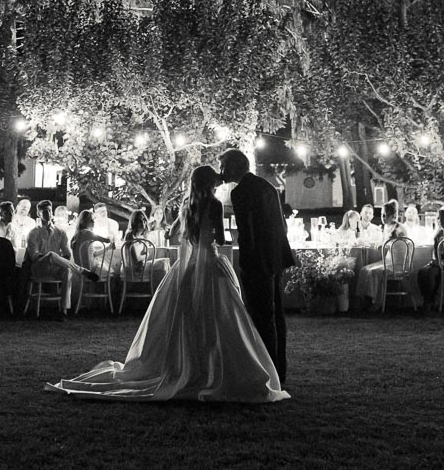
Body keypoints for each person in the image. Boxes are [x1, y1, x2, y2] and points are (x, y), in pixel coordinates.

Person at [47, 164, 289, 402]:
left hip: (189, 265)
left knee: (185, 314)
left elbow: (174, 235)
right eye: (215, 176)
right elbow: (222, 237)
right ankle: (212, 365)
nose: (220, 177)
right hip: (210, 262)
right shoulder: (214, 205)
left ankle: (182, 363)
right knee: (218, 316)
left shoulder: (187, 205)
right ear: (209, 182)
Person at [221, 149, 295, 383]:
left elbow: (247, 232)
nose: (221, 171)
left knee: (261, 316)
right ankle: (279, 370)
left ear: (233, 167)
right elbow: (281, 225)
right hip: (275, 257)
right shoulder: (267, 186)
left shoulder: (241, 191)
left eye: (223, 166)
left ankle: (266, 374)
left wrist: (246, 262)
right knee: (276, 316)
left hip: (257, 262)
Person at [25, 201, 96, 315]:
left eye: (49, 210)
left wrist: (58, 259)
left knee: (67, 271)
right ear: (38, 213)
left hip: (55, 267)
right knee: (51, 255)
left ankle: (64, 310)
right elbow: (34, 256)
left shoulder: (60, 232)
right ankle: (82, 270)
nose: (47, 213)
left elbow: (67, 253)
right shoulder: (33, 232)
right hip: (38, 267)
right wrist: (51, 258)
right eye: (44, 211)